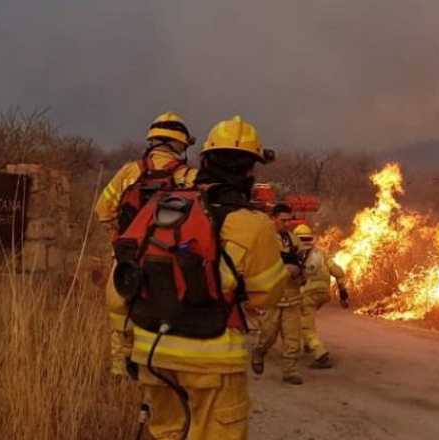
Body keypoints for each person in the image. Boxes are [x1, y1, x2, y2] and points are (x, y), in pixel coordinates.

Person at [104, 115, 288, 439]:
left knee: (166, 434)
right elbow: (265, 296)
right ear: (250, 170)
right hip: (214, 360)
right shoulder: (253, 224)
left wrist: (125, 348)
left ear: (204, 159)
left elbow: (120, 285)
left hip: (153, 354)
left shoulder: (160, 208)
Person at [95, 111, 198, 229]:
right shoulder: (191, 176)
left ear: (151, 141)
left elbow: (102, 211)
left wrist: (123, 234)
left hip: (130, 245)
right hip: (174, 245)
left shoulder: (129, 171)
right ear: (182, 145)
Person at [250, 203, 306, 385]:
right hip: (272, 297)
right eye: (283, 220)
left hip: (292, 296)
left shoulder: (292, 239)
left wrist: (300, 271)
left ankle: (290, 371)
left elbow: (303, 260)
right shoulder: (264, 239)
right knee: (268, 334)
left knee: (293, 338)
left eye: (289, 220)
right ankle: (259, 351)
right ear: (273, 218)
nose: (287, 224)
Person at [293, 224, 350, 369]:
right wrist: (343, 293)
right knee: (307, 316)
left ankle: (320, 354)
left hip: (307, 294)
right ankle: (307, 345)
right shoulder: (321, 253)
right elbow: (338, 272)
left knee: (306, 326)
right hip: (323, 294)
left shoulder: (295, 255)